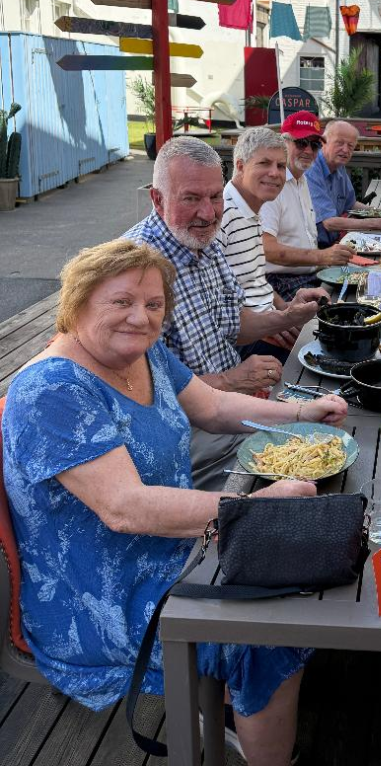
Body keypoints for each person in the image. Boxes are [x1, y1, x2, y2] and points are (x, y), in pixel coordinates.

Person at [1, 239, 347, 766]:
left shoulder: (143, 353)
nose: (140, 317)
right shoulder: (52, 390)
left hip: (169, 544)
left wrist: (303, 414)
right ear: (77, 304)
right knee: (265, 631)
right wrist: (255, 506)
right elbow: (125, 509)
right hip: (99, 590)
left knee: (295, 571)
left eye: (154, 304)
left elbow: (214, 407)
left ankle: (235, 702)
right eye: (121, 302)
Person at [124, 137, 311, 491]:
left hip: (232, 406)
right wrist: (231, 380)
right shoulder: (134, 270)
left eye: (214, 197)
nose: (208, 213)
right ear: (157, 199)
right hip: (187, 434)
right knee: (309, 464)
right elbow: (142, 396)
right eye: (191, 198)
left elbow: (233, 325)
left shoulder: (203, 241)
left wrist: (290, 316)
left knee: (327, 428)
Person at [219, 126, 330, 351]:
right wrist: (274, 321)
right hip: (239, 341)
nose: (275, 173)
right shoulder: (221, 216)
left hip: (264, 322)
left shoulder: (251, 210)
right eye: (264, 163)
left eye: (280, 166)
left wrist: (285, 308)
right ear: (240, 166)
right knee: (327, 349)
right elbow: (214, 306)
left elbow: (256, 280)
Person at [261, 112, 354, 300]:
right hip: (281, 283)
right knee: (347, 307)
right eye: (301, 143)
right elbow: (266, 249)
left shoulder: (302, 180)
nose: (309, 151)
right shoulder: (270, 183)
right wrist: (322, 256)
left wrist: (329, 258)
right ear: (283, 143)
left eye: (315, 145)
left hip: (311, 275)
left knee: (368, 287)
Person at [305, 120, 381, 248]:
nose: (345, 150)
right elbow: (329, 223)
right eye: (339, 143)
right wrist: (378, 223)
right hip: (313, 249)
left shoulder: (338, 165)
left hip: (333, 242)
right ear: (323, 142)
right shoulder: (311, 170)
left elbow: (351, 204)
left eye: (350, 146)